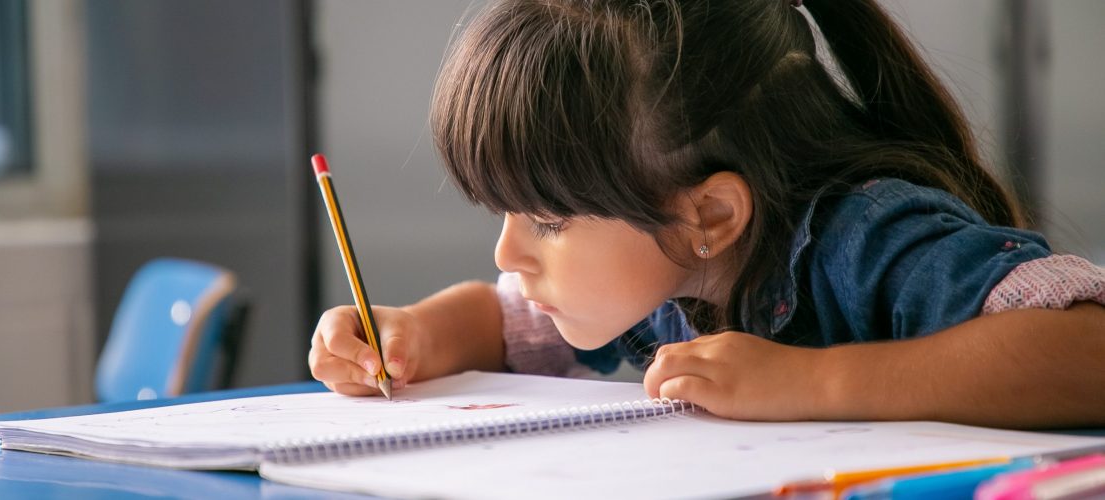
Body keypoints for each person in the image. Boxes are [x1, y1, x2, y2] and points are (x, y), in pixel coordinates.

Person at [309, 0, 1105, 428]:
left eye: (548, 220)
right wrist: (411, 335)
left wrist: (816, 383)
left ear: (710, 214)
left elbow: (1087, 351)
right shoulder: (666, 272)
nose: (507, 254)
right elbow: (507, 322)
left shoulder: (869, 237)